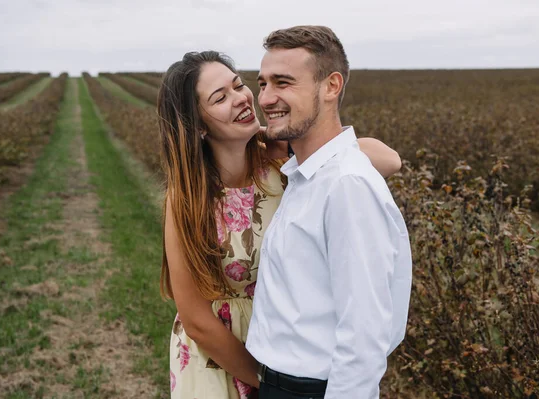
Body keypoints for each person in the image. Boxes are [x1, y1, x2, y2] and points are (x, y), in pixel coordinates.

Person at [157, 50, 402, 399]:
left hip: (289, 346)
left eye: (238, 85)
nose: (242, 98)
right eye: (220, 97)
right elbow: (196, 319)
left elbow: (388, 160)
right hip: (220, 358)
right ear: (197, 126)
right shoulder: (188, 198)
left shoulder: (284, 168)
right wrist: (268, 382)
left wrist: (287, 144)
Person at [246, 26, 413, 399]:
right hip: (280, 384)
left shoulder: (346, 186)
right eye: (263, 84)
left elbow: (364, 337)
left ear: (331, 86)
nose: (266, 98)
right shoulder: (307, 176)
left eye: (283, 82)